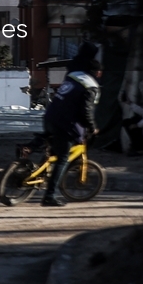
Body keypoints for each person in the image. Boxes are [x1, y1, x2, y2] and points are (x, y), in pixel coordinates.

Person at [41, 59, 102, 207]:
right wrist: (92, 127)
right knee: (63, 158)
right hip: (64, 123)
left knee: (55, 149)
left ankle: (41, 171)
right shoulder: (91, 87)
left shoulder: (73, 77)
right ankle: (49, 195)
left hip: (49, 117)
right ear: (98, 73)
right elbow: (86, 111)